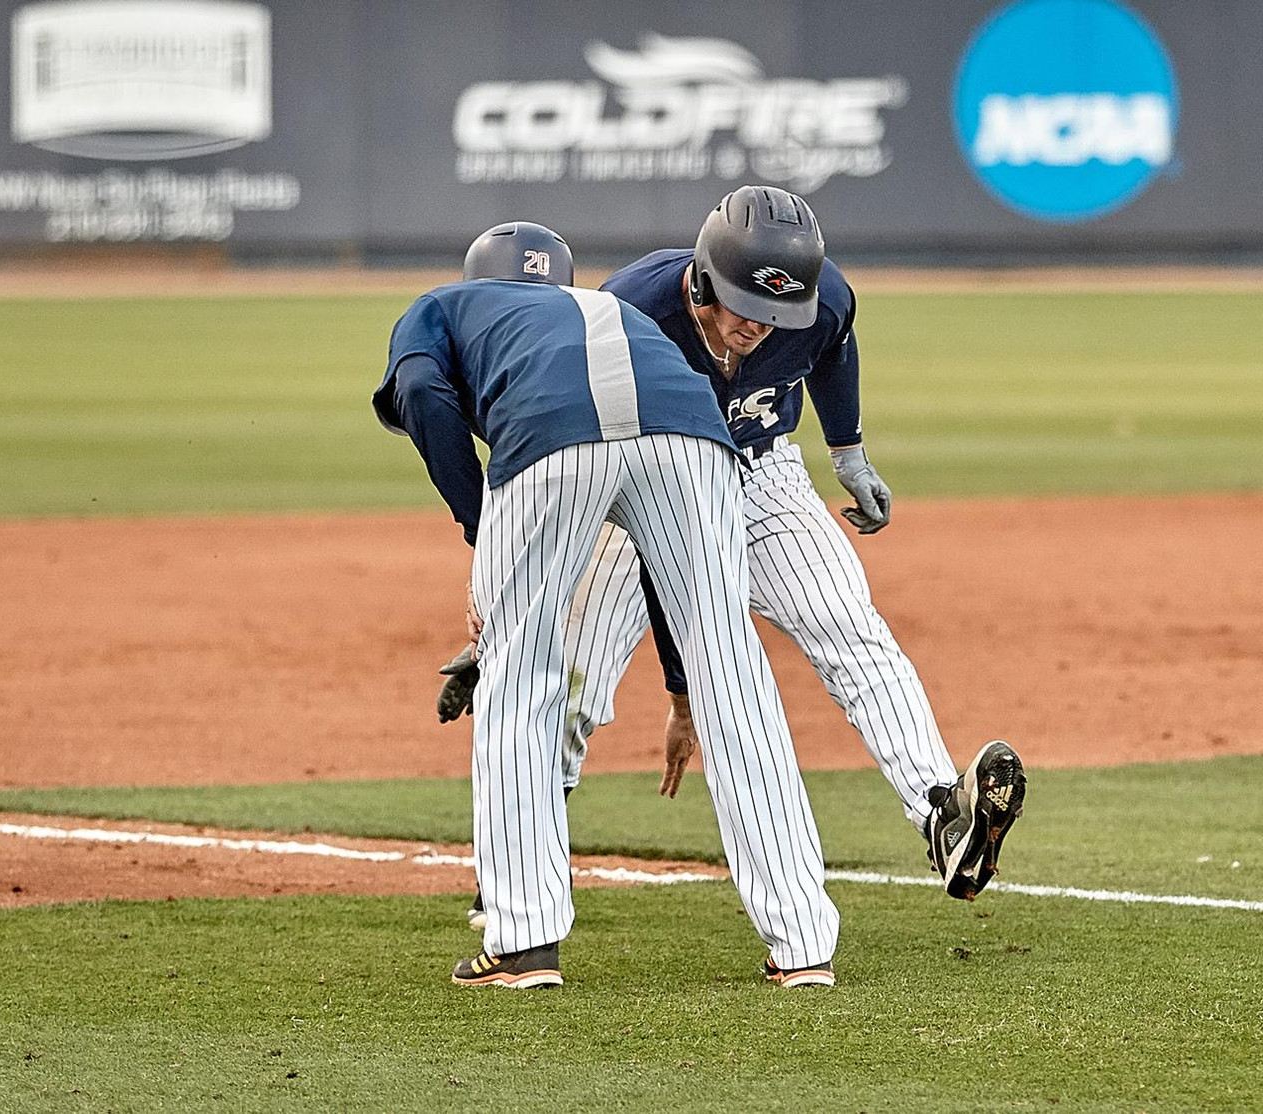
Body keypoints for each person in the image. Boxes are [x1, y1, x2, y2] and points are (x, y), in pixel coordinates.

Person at [449, 185, 1027, 925]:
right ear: (701, 281)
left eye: (778, 314)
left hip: (761, 470)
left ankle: (943, 813)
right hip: (640, 481)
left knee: (847, 625)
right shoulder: (630, 308)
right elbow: (559, 440)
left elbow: (835, 344)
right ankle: (519, 856)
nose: (761, 327)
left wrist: (847, 450)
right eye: (746, 307)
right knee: (571, 684)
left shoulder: (824, 301)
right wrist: (525, 603)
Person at [377, 221, 841, 990]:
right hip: (692, 436)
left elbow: (422, 392)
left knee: (521, 678)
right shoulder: (613, 307)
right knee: (734, 670)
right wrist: (682, 675)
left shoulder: (442, 307)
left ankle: (524, 939)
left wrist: (478, 524)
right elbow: (663, 569)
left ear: (474, 277)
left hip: (553, 437)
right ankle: (802, 944)